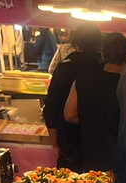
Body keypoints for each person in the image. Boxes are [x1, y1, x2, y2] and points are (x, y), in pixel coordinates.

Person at [64, 32, 126, 173]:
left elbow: (69, 115)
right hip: (120, 162)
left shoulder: (82, 80)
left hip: (89, 158)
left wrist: (91, 121)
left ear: (103, 55)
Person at [44, 24, 102, 172]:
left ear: (75, 43)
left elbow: (50, 108)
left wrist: (55, 145)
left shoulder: (64, 68)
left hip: (68, 143)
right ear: (98, 44)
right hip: (99, 144)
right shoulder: (103, 67)